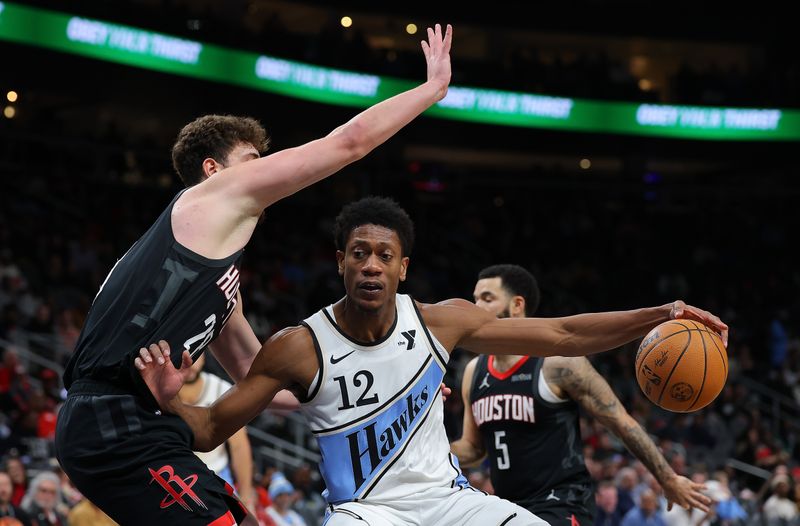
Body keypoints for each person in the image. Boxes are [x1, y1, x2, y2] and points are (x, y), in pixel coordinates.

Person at [54, 23, 453, 526]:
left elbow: (260, 381)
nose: (263, 169)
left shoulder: (219, 279)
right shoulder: (208, 199)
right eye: (251, 161)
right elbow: (347, 144)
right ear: (213, 171)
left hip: (144, 423)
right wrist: (430, 90)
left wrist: (400, 385)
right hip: (112, 420)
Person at [136, 196, 728, 526]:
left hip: (450, 501)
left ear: (402, 268)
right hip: (367, 512)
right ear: (340, 260)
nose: (371, 265)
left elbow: (566, 334)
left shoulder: (442, 322)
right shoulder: (298, 345)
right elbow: (213, 427)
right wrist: (168, 400)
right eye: (359, 253)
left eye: (384, 256)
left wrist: (663, 311)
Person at [449, 264, 711, 525]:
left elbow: (620, 422)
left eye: (487, 298)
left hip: (563, 503)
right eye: (474, 299)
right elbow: (473, 447)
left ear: (517, 305)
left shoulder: (557, 363)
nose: (476, 307)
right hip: (508, 507)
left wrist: (668, 478)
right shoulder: (474, 371)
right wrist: (423, 450)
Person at [178, 353, 259, 512]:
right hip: (177, 475)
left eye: (196, 353)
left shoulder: (221, 389)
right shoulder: (161, 390)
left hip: (216, 475)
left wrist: (246, 496)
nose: (190, 359)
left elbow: (239, 447)